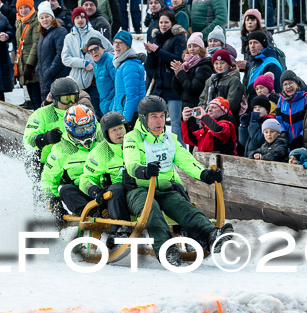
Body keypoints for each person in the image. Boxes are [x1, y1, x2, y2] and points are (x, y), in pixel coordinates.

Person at [123, 96, 233, 266]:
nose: (160, 121)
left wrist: (204, 174)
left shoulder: (169, 138)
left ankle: (211, 235)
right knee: (151, 210)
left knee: (182, 206)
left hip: (165, 188)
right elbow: (131, 163)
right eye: (154, 117)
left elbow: (186, 160)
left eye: (162, 116)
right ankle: (165, 248)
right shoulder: (132, 137)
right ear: (144, 118)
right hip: (138, 189)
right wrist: (143, 171)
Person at [42, 105, 104, 218]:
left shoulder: (103, 138)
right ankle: (91, 215)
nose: (86, 133)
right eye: (80, 130)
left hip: (103, 187)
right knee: (66, 190)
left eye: (89, 128)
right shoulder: (61, 150)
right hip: (81, 193)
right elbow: (48, 179)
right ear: (70, 130)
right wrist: (54, 202)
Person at [79, 111, 132, 240]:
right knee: (117, 189)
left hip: (137, 190)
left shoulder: (136, 144)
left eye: (121, 128)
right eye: (113, 130)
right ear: (106, 134)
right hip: (114, 198)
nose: (119, 133)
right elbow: (85, 179)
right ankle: (119, 229)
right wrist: (93, 190)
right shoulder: (100, 153)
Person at [23, 77, 82, 182]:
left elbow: (98, 131)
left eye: (73, 98)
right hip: (45, 161)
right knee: (33, 159)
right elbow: (28, 140)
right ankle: (42, 191)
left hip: (74, 160)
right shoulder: (43, 114)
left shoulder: (81, 113)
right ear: (55, 99)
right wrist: (46, 138)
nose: (70, 103)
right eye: (66, 99)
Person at [61, 6, 113, 113]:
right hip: (77, 82)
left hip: (94, 81)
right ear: (73, 20)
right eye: (77, 18)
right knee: (80, 113)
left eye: (82, 17)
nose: (80, 20)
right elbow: (65, 59)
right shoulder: (69, 38)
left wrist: (98, 64)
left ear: (86, 19)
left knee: (96, 111)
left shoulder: (95, 34)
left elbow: (110, 51)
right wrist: (84, 63)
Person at [144, 10, 187, 141]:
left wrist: (158, 51)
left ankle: (179, 150)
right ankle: (157, 147)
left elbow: (178, 59)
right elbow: (149, 66)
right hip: (159, 87)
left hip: (174, 88)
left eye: (166, 22)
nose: (163, 25)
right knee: (155, 122)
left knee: (175, 122)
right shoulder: (156, 38)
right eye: (161, 22)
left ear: (172, 23)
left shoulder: (178, 38)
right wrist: (151, 54)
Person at [36, 1, 70, 101]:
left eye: (47, 16)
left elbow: (60, 54)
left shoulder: (60, 31)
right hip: (45, 78)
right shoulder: (43, 35)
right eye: (41, 18)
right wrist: (38, 70)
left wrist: (50, 71)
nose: (44, 20)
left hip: (56, 76)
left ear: (52, 17)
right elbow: (41, 57)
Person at [112, 30, 146, 128]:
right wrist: (114, 114)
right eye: (115, 43)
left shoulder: (130, 66)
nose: (117, 46)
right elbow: (118, 95)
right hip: (122, 113)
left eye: (120, 43)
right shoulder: (122, 64)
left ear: (127, 45)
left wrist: (125, 120)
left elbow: (132, 96)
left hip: (131, 115)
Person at [171, 32, 214, 110]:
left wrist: (181, 73)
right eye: (189, 46)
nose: (192, 49)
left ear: (201, 48)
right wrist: (177, 75)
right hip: (187, 107)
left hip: (197, 108)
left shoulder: (205, 66)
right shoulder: (187, 65)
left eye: (195, 46)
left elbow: (193, 89)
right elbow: (178, 90)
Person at [198, 49, 245, 118]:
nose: (219, 66)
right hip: (207, 119)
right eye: (216, 63)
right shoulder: (210, 80)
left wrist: (216, 115)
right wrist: (201, 116)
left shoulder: (234, 80)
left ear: (229, 64)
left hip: (225, 120)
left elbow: (232, 103)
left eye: (222, 63)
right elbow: (203, 99)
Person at [15, 0, 41, 110]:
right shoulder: (19, 21)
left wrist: (29, 65)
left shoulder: (35, 21)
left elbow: (35, 44)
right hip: (24, 63)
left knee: (37, 98)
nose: (23, 10)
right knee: (32, 97)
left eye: (26, 7)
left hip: (31, 65)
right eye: (21, 8)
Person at [276, 70, 307, 150]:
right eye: (285, 84)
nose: (288, 86)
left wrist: (301, 136)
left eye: (290, 83)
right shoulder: (281, 100)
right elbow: (279, 119)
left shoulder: (306, 99)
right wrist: (283, 132)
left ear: (297, 83)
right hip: (287, 141)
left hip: (303, 140)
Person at [244, 31, 283, 98]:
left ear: (263, 44)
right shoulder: (254, 62)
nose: (252, 46)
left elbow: (276, 91)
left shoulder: (271, 63)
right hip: (253, 105)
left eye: (256, 42)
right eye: (250, 43)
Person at [87, 37, 116, 118]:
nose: (94, 52)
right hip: (105, 107)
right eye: (90, 51)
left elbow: (119, 87)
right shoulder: (96, 66)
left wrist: (113, 107)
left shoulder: (110, 61)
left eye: (96, 49)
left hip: (113, 108)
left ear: (102, 48)